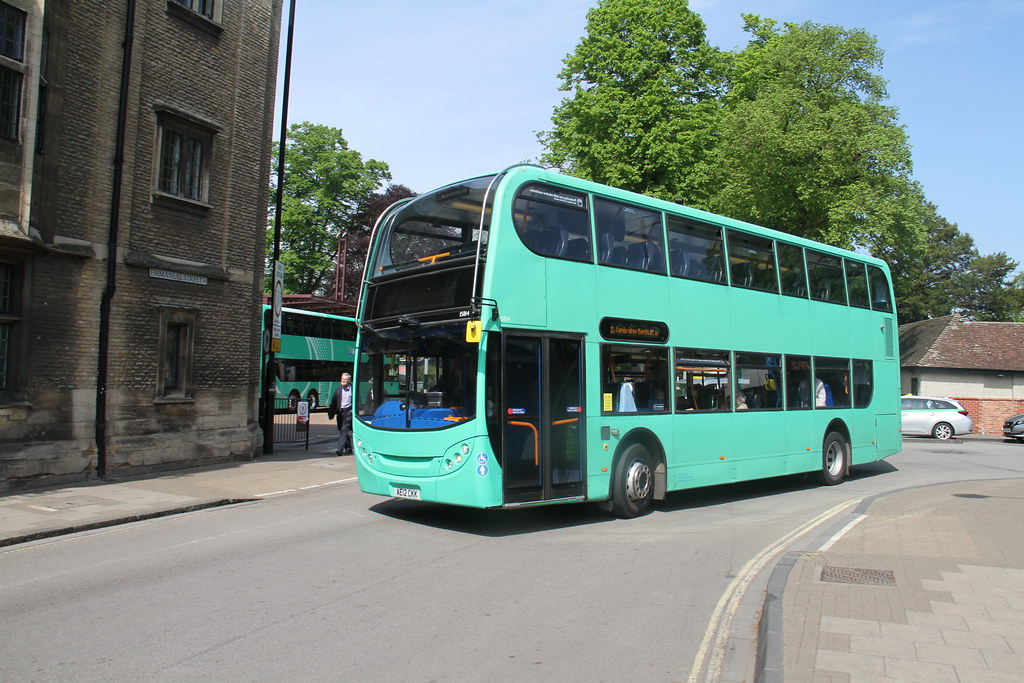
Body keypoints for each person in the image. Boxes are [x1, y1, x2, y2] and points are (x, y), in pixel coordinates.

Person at [328, 372, 353, 455]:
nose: (343, 381)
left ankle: (339, 449)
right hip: (340, 412)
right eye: (342, 379)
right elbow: (334, 401)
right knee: (341, 429)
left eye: (345, 380)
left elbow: (358, 400)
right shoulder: (338, 389)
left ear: (349, 380)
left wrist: (355, 410)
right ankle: (349, 448)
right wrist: (331, 413)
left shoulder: (353, 389)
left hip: (348, 411)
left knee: (344, 430)